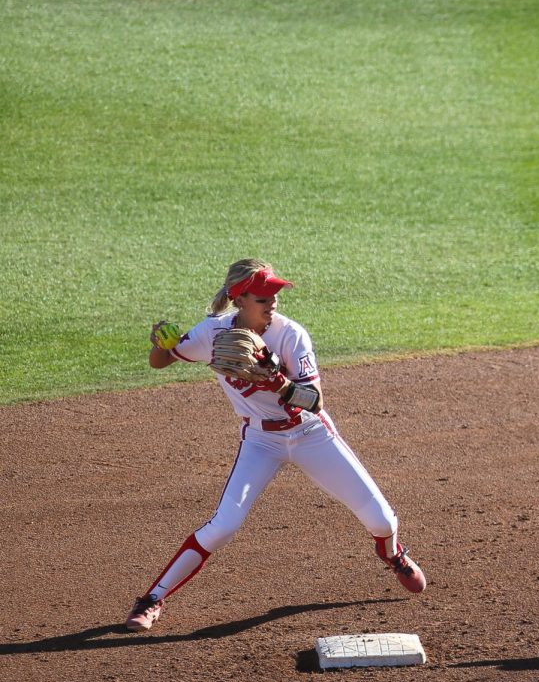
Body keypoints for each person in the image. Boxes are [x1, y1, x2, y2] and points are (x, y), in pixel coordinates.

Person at [125, 258, 426, 632]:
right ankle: (152, 599)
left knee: (381, 519)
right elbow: (160, 362)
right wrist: (160, 344)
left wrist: (277, 381)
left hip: (310, 434)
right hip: (260, 441)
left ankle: (394, 555)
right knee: (223, 526)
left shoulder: (290, 335)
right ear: (239, 298)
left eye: (276, 293)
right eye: (264, 295)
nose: (274, 301)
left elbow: (314, 400)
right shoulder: (211, 333)